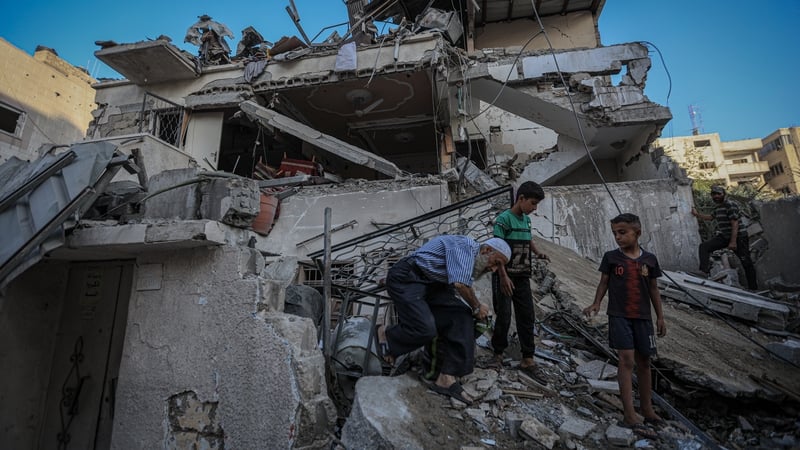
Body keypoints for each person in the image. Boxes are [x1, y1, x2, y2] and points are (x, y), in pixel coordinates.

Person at [376, 235, 511, 405]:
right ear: (487, 250)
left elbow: (461, 286)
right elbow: (460, 285)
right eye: (496, 263)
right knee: (425, 329)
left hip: (433, 285)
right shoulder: (465, 247)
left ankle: (446, 377)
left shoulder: (472, 260)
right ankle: (387, 334)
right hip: (408, 278)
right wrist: (477, 307)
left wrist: (473, 309)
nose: (494, 270)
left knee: (461, 315)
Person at [583, 213, 666, 439]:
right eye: (615, 233)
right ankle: (629, 413)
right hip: (619, 316)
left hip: (643, 318)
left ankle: (647, 409)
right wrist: (596, 303)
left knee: (645, 361)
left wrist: (660, 316)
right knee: (626, 359)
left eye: (622, 232)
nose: (618, 237)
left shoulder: (649, 260)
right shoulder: (611, 258)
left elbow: (653, 289)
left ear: (637, 233)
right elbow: (604, 283)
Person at [490, 181, 549, 385]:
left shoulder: (526, 220)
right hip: (505, 275)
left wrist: (537, 252)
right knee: (504, 315)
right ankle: (497, 354)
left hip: (522, 275)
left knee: (527, 316)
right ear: (521, 199)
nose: (534, 209)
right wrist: (503, 276)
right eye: (532, 203)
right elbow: (497, 250)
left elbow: (528, 239)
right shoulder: (503, 220)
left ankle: (528, 358)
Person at [691, 185, 758, 290]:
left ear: (724, 194)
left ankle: (753, 288)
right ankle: (704, 271)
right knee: (704, 246)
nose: (716, 196)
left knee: (746, 262)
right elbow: (710, 217)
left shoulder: (730, 205)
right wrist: (697, 215)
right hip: (725, 236)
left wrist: (733, 242)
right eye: (714, 194)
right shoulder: (718, 207)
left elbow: (734, 224)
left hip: (739, 237)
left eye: (719, 194)